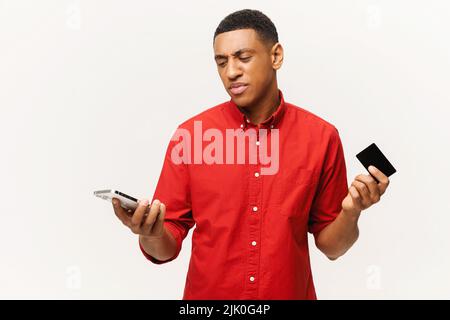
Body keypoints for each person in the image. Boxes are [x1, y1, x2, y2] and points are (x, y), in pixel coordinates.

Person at [112, 9, 390, 300]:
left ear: (276, 56)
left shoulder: (322, 137)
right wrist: (150, 234)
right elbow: (165, 247)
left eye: (243, 57)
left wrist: (352, 210)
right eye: (222, 62)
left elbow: (333, 247)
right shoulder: (191, 137)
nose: (231, 72)